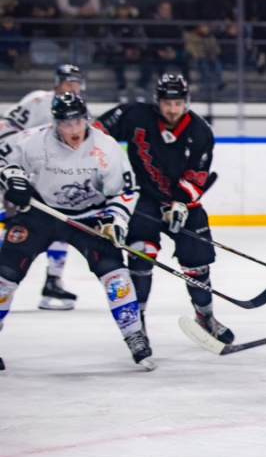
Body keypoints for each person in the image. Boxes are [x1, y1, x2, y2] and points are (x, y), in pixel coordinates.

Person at [0, 92, 155, 370]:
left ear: (87, 120)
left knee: (115, 274)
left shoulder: (105, 147)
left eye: (78, 122)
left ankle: (135, 336)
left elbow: (127, 190)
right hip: (41, 213)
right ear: (56, 123)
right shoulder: (33, 141)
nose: (73, 129)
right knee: (5, 274)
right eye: (67, 123)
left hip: (89, 216)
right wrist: (12, 178)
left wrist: (116, 220)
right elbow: (3, 160)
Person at [94, 74, 234, 344]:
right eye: (167, 102)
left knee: (198, 264)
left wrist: (179, 203)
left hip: (185, 204)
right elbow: (95, 135)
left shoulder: (200, 131)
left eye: (178, 102)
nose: (172, 109)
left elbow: (197, 175)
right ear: (157, 101)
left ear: (186, 102)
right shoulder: (134, 115)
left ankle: (205, 317)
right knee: (140, 255)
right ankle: (138, 323)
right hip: (142, 200)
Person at [0, 64, 85, 310]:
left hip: (52, 180)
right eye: (67, 81)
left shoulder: (77, 110)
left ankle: (53, 281)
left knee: (61, 222)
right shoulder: (38, 100)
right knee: (16, 228)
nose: (72, 86)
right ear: (57, 82)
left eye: (76, 82)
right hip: (22, 177)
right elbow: (6, 128)